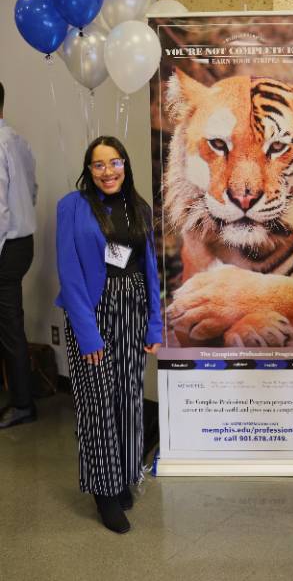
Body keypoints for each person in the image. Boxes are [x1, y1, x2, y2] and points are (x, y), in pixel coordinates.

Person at [55, 135, 162, 534]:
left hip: (133, 307)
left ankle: (123, 478)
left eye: (114, 162)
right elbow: (69, 272)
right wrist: (87, 335)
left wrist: (154, 323)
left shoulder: (139, 206)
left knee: (129, 399)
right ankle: (103, 491)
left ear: (125, 165)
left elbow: (149, 268)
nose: (108, 171)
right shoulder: (72, 206)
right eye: (98, 164)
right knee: (98, 402)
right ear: (89, 169)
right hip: (92, 312)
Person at [0, 82, 37, 429]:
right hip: (24, 243)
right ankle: (20, 398)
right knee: (10, 323)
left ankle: (23, 404)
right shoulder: (18, 140)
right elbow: (32, 188)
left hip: (5, 246)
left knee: (10, 326)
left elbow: (0, 211)